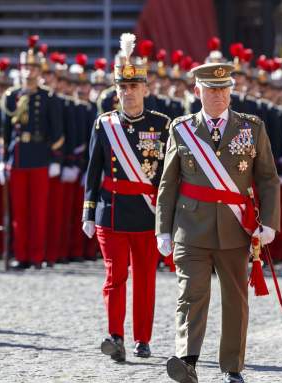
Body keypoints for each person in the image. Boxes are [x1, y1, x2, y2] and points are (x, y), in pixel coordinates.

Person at [155, 62, 280, 383]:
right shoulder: (181, 129)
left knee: (235, 300)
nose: (217, 96)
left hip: (235, 228)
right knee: (190, 294)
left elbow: (267, 178)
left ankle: (232, 366)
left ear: (231, 91)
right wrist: (163, 230)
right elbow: (168, 183)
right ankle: (187, 362)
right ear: (197, 91)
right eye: (210, 90)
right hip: (189, 227)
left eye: (223, 89)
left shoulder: (251, 127)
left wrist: (268, 223)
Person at [82, 33, 170, 362]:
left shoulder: (162, 125)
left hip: (147, 213)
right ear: (116, 90)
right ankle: (115, 335)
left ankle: (143, 339)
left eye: (134, 87)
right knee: (114, 276)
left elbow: (165, 175)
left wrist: (167, 219)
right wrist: (88, 212)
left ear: (145, 89)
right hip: (111, 211)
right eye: (122, 87)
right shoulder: (104, 125)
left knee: (145, 279)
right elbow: (93, 171)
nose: (128, 92)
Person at [0, 35, 63, 270]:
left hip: (40, 157)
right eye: (26, 67)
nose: (30, 71)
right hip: (17, 157)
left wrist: (56, 159)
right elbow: (4, 133)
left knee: (37, 211)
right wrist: (2, 161)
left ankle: (36, 256)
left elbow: (57, 132)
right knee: (19, 212)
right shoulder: (11, 96)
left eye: (34, 67)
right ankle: (21, 255)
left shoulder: (48, 98)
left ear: (40, 71)